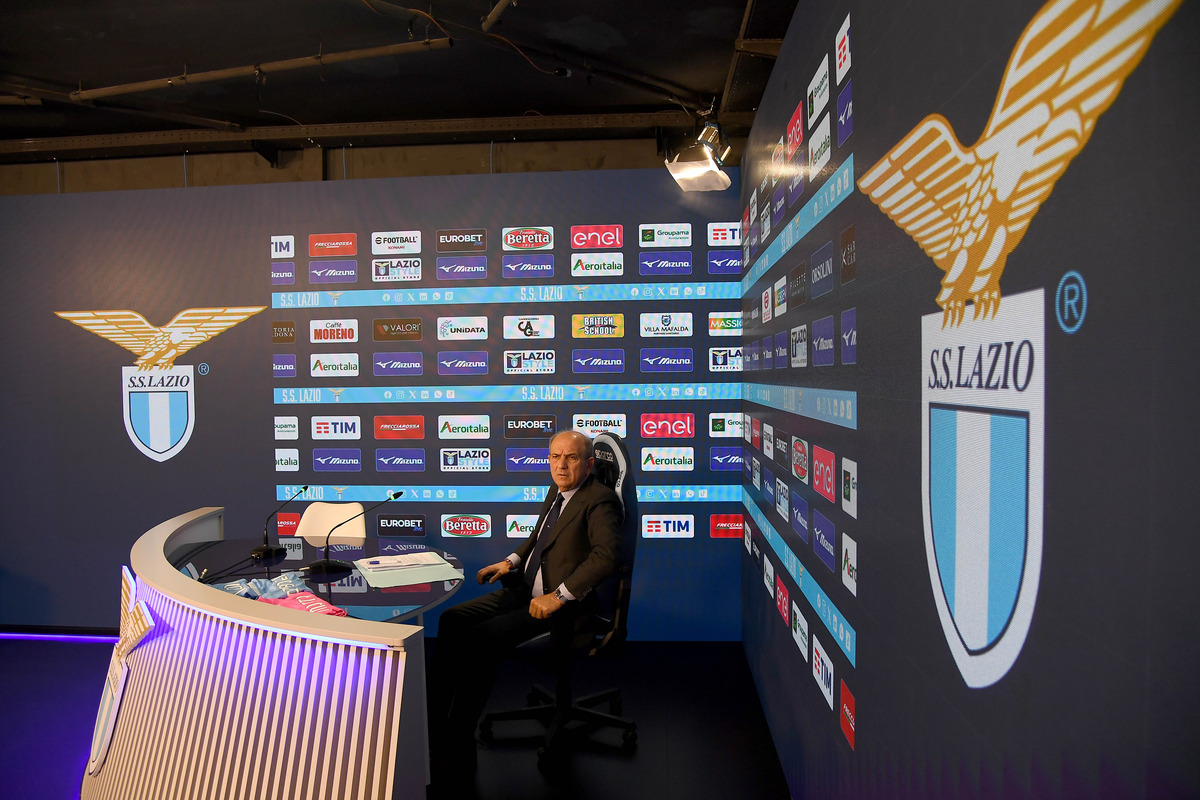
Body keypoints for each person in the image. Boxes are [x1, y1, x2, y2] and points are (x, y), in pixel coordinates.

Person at [427, 430, 622, 782]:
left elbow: (605, 558)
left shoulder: (600, 500)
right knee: (452, 619)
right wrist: (511, 561)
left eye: (571, 458)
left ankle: (457, 736)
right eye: (555, 457)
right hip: (524, 591)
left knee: (482, 639)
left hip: (562, 608)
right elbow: (539, 538)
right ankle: (431, 720)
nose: (561, 465)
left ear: (589, 463)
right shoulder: (558, 489)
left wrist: (558, 596)